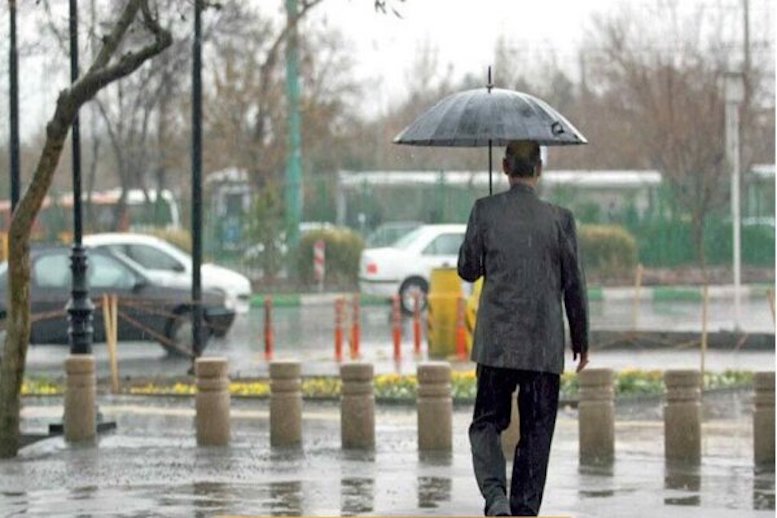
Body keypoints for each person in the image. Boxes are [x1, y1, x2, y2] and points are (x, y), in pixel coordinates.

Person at [458, 140, 589, 517]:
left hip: (496, 345)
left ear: (504, 167)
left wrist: (483, 236)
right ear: (539, 169)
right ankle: (525, 510)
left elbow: (468, 269)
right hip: (542, 346)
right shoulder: (560, 219)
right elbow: (574, 286)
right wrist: (581, 340)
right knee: (537, 431)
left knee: (486, 423)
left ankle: (495, 496)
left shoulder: (484, 211)